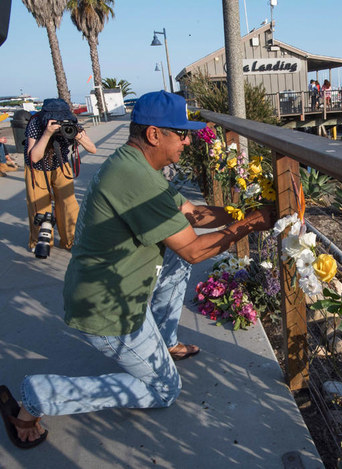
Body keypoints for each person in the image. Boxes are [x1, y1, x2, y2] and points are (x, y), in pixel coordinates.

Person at [0, 91, 276, 448]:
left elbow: (194, 214)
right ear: (154, 135)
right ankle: (37, 395)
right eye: (181, 133)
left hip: (115, 291)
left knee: (173, 257)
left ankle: (164, 340)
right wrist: (251, 224)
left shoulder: (137, 165)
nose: (188, 141)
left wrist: (249, 212)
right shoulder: (136, 179)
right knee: (165, 389)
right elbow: (194, 250)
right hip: (108, 311)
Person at [23, 99, 97, 251]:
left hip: (60, 164)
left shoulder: (71, 123)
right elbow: (34, 157)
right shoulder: (36, 123)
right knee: (38, 206)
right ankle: (40, 243)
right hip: (36, 167)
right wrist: (47, 133)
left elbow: (92, 149)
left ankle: (71, 241)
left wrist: (78, 136)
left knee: (68, 204)